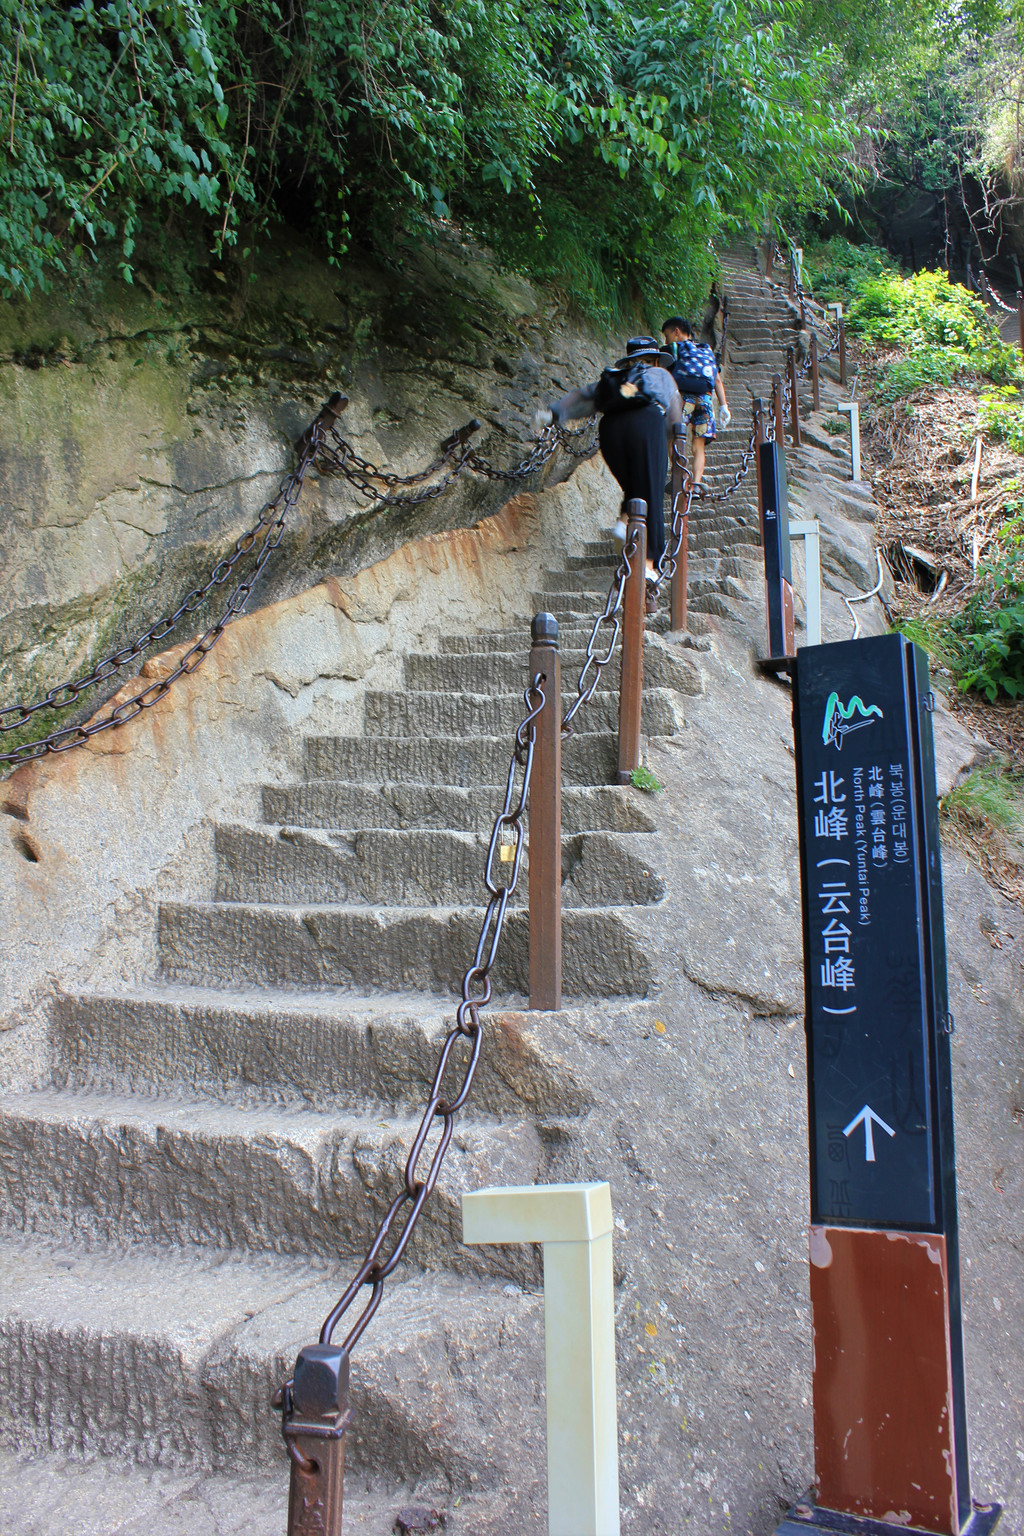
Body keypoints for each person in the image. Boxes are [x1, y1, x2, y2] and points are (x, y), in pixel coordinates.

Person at [535, 336, 681, 595]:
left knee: (636, 487)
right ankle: (649, 565)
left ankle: (625, 522)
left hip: (610, 430)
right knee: (652, 492)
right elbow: (674, 421)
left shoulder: (615, 379)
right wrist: (672, 450)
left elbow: (584, 397)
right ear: (656, 359)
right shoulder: (662, 375)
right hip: (646, 424)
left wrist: (556, 412)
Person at [661, 317, 730, 483]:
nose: (666, 339)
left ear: (676, 331)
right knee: (698, 446)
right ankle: (697, 484)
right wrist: (723, 406)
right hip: (705, 399)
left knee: (673, 439)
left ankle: (681, 477)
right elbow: (717, 380)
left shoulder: (671, 349)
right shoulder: (705, 350)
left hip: (682, 399)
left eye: (667, 335)